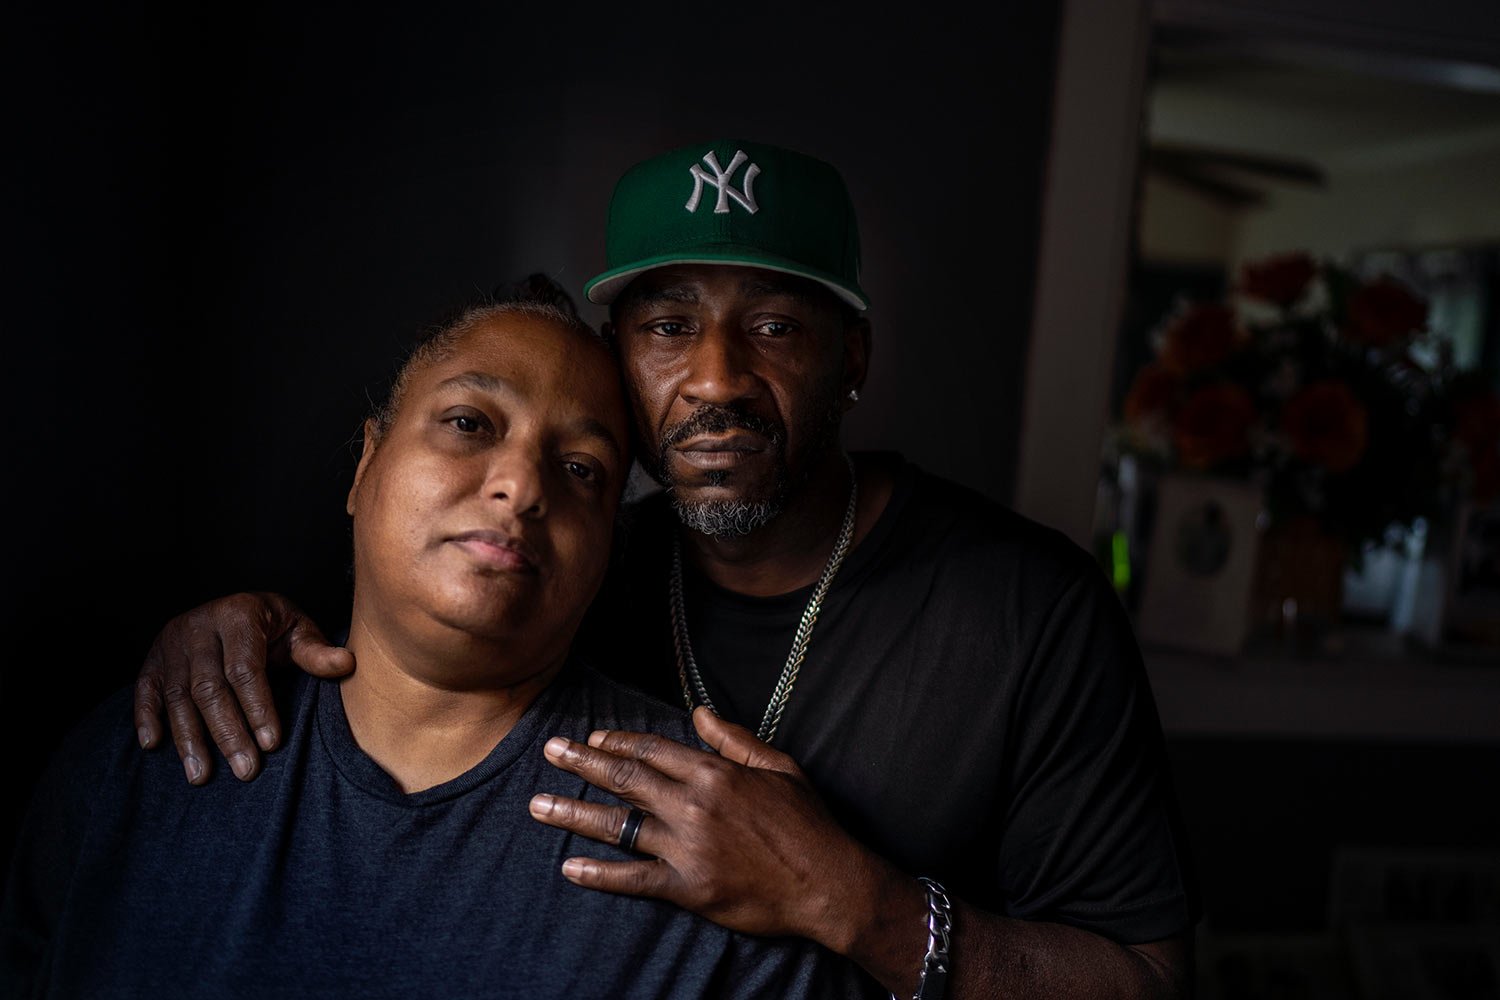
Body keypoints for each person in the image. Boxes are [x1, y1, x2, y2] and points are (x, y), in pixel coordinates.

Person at [130, 139, 1200, 998]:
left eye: (776, 325)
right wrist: (255, 629)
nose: (716, 377)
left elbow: (1146, 977)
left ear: (855, 356)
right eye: (668, 325)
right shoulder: (568, 569)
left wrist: (858, 904)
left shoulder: (1029, 609)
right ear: (615, 354)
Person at [1, 290, 870, 999]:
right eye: (469, 423)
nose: (521, 485)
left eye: (581, 471)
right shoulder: (144, 756)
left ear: (610, 541)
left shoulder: (706, 843)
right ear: (364, 464)